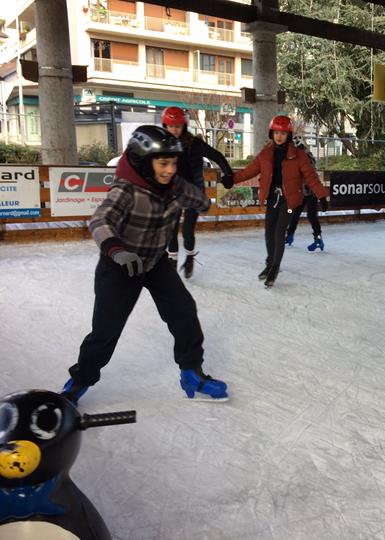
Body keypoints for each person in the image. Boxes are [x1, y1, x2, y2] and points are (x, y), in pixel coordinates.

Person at [61, 126, 228, 403]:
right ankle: (78, 383)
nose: (170, 169)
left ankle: (191, 372)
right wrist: (117, 251)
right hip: (120, 266)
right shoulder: (126, 189)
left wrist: (185, 190)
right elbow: (99, 221)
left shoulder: (171, 183)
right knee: (105, 331)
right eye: (163, 163)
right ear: (143, 161)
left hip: (155, 262)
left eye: (173, 163)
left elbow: (202, 203)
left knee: (183, 311)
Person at [232, 115, 329, 288]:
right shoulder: (266, 154)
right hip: (273, 199)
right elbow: (248, 171)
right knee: (269, 233)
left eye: (283, 133)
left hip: (290, 202)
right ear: (272, 133)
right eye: (276, 132)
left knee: (279, 233)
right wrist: (231, 179)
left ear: (289, 135)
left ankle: (275, 268)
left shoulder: (298, 155)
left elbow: (311, 177)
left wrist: (322, 195)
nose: (279, 136)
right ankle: (270, 263)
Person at [161, 106, 235, 278]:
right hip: (171, 193)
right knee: (171, 230)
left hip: (193, 193)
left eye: (178, 126)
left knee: (187, 230)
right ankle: (172, 261)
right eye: (171, 126)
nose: (174, 130)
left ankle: (189, 258)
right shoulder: (162, 145)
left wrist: (228, 174)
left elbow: (217, 156)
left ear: (184, 126)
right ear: (164, 126)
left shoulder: (194, 143)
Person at [285, 134, 325, 251]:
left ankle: (318, 239)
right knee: (295, 213)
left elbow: (310, 173)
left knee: (311, 215)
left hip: (310, 191)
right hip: (301, 191)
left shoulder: (306, 156)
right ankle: (289, 235)